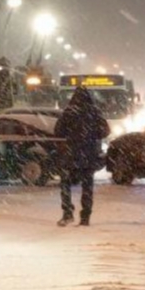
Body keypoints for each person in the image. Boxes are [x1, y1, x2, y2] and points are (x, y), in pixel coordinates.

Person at [53, 87, 108, 226]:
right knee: (87, 186)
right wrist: (91, 135)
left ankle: (67, 213)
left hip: (71, 154)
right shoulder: (95, 112)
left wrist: (72, 134)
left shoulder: (69, 112)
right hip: (89, 154)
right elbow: (105, 131)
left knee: (65, 183)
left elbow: (58, 131)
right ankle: (85, 217)